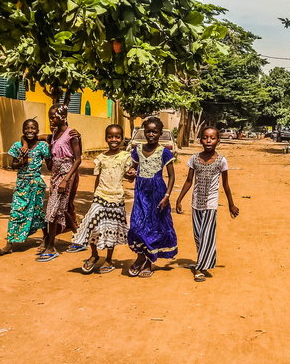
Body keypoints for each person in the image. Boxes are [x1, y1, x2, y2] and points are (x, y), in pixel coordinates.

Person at [176, 126, 239, 281]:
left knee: (207, 236)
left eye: (212, 138)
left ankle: (200, 268)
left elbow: (226, 185)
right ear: (200, 139)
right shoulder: (194, 159)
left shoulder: (221, 161)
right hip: (196, 203)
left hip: (211, 204)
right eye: (205, 137)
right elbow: (189, 181)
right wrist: (179, 199)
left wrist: (231, 204)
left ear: (218, 140)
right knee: (198, 235)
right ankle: (203, 259)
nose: (208, 141)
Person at [68, 124, 133, 274]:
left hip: (116, 198)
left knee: (111, 229)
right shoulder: (100, 158)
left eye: (117, 136)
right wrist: (94, 195)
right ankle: (94, 254)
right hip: (100, 197)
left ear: (122, 139)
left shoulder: (125, 157)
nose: (114, 139)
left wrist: (132, 174)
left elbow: (128, 177)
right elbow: (97, 179)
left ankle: (109, 259)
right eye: (110, 136)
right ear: (106, 138)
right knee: (92, 225)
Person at [127, 117, 177, 278]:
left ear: (160, 133)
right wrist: (130, 173)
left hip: (157, 194)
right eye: (148, 131)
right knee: (136, 225)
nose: (151, 134)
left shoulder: (165, 152)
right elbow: (131, 173)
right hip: (141, 193)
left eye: (154, 132)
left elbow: (171, 176)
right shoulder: (137, 150)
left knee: (153, 227)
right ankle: (140, 256)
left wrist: (167, 196)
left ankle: (148, 262)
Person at [0, 119, 51, 256]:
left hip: (36, 185)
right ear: (23, 130)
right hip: (21, 184)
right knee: (15, 212)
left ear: (37, 131)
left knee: (37, 213)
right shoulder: (17, 146)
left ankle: (46, 238)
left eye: (33, 128)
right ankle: (9, 244)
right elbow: (13, 166)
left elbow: (49, 164)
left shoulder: (42, 146)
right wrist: (21, 162)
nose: (30, 131)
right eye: (27, 128)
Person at [38, 104, 82, 262]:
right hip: (55, 175)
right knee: (60, 210)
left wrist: (66, 179)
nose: (51, 119)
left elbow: (78, 159)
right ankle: (80, 237)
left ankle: (50, 247)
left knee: (52, 211)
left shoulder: (72, 134)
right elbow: (43, 138)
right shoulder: (55, 133)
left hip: (65, 176)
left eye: (54, 116)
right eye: (50, 116)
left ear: (63, 116)